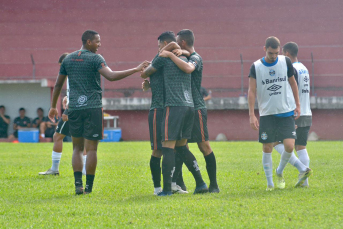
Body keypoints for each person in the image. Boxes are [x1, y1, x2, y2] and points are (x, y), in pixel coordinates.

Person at [48, 30, 149, 195]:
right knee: (92, 149)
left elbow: (58, 84)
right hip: (93, 108)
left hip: (74, 109)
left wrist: (53, 106)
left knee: (77, 148)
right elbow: (111, 76)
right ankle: (88, 189)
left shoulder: (68, 59)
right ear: (88, 41)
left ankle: (78, 185)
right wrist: (136, 69)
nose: (99, 45)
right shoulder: (96, 58)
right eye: (97, 41)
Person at [141, 31, 208, 196]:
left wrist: (166, 52)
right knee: (182, 147)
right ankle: (199, 183)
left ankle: (164, 189)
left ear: (164, 45)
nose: (158, 50)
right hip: (189, 106)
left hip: (168, 107)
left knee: (164, 148)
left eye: (159, 46)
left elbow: (144, 72)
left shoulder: (163, 58)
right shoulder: (184, 58)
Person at [158, 29, 219, 193]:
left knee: (204, 146)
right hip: (186, 106)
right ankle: (183, 184)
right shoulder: (185, 54)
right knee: (180, 146)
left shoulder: (195, 58)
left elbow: (189, 69)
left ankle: (213, 185)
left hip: (197, 107)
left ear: (182, 42)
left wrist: (171, 54)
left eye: (178, 42)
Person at [248, 36, 313, 191]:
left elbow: (293, 83)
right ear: (265, 49)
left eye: (276, 53)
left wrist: (297, 104)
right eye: (271, 53)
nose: (274, 56)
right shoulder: (256, 66)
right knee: (267, 147)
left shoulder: (285, 62)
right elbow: (251, 90)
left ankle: (279, 171)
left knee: (290, 146)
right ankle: (270, 184)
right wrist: (251, 114)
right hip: (267, 113)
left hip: (286, 111)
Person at [273, 42, 312, 187]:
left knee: (275, 141)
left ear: (287, 53)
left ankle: (292, 170)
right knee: (301, 146)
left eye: (282, 53)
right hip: (307, 111)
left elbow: (290, 91)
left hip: (294, 112)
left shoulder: (292, 69)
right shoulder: (304, 68)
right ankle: (304, 182)